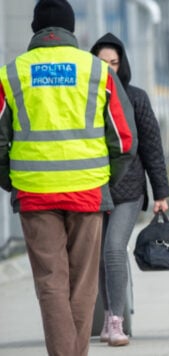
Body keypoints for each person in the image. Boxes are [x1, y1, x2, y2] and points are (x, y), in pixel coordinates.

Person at [0, 1, 137, 355]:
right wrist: (105, 179)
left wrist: (10, 179)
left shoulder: (11, 73)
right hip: (88, 190)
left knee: (50, 283)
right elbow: (123, 139)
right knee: (83, 284)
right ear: (71, 29)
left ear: (35, 29)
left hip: (34, 192)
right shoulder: (96, 71)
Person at [90, 33, 169, 347]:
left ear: (122, 65)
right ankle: (108, 313)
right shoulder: (84, 97)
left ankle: (115, 320)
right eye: (102, 63)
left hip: (128, 190)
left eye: (114, 63)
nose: (109, 69)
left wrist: (160, 193)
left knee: (113, 248)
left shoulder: (135, 97)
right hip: (93, 189)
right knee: (98, 256)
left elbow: (152, 147)